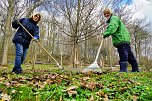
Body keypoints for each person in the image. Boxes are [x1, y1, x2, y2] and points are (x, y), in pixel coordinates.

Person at [102, 8, 140, 72]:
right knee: (130, 56)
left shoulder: (113, 18)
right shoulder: (114, 19)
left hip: (121, 40)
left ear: (110, 13)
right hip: (124, 40)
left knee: (123, 55)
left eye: (107, 13)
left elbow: (112, 28)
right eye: (105, 14)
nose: (106, 15)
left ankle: (123, 70)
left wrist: (105, 33)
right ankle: (135, 69)